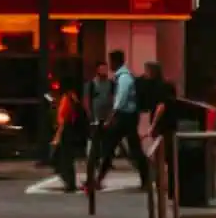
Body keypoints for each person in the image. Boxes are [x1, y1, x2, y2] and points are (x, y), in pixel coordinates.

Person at [94, 48, 146, 182]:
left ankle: (98, 179)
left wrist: (111, 117)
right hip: (127, 117)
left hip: (125, 117)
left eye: (110, 61)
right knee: (130, 149)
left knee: (112, 146)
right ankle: (146, 177)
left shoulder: (124, 78)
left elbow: (120, 101)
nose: (109, 65)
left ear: (116, 61)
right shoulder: (123, 76)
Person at [51, 76, 87, 193]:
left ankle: (69, 182)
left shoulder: (67, 99)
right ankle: (69, 181)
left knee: (62, 158)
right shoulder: (73, 98)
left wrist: (57, 136)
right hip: (71, 131)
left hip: (66, 131)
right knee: (67, 158)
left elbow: (63, 119)